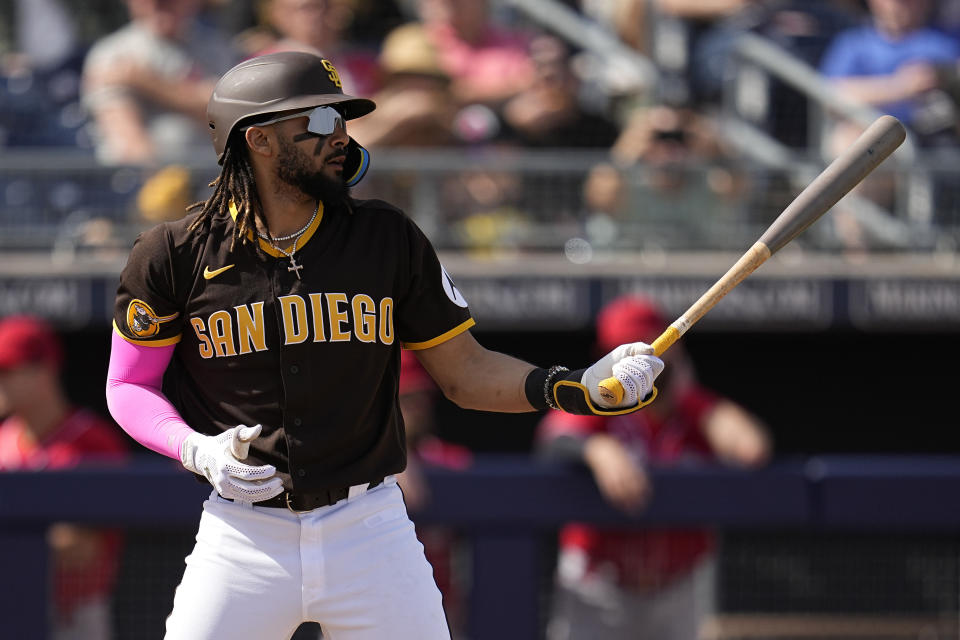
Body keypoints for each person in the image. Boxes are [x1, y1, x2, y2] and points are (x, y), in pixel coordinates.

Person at [104, 50, 666, 639]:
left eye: (343, 120)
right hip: (242, 534)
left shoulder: (386, 236)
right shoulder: (173, 253)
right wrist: (195, 449)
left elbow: (466, 373)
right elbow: (127, 385)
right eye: (318, 121)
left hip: (368, 525)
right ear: (259, 140)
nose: (340, 135)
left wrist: (575, 388)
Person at [537, 295, 771, 640]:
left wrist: (688, 397)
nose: (645, 363)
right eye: (628, 352)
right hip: (599, 582)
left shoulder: (692, 411)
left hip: (678, 584)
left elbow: (751, 448)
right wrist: (597, 449)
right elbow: (552, 439)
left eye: (653, 348)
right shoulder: (599, 406)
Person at [0, 315, 128, 640]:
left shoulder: (92, 440)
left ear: (43, 370)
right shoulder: (3, 439)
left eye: (6, 371)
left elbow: (82, 548)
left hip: (73, 613)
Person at [81, 0, 239, 164]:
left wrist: (147, 82)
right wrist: (161, 178)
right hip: (140, 180)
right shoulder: (112, 54)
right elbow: (127, 139)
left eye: (169, 2)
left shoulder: (217, 47)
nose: (160, 7)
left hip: (213, 174)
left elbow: (226, 115)